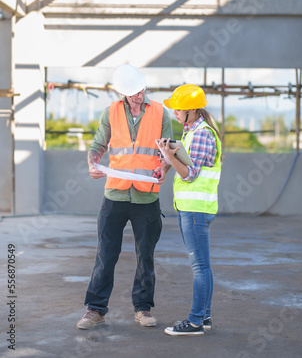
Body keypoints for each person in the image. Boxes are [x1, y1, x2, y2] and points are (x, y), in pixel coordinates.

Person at [77, 64, 172, 330]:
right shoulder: (110, 112)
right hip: (115, 194)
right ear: (123, 94)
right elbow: (98, 145)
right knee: (106, 254)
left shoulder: (161, 112)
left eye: (141, 91)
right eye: (132, 94)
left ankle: (143, 309)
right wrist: (92, 163)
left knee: (146, 256)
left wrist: (163, 168)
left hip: (147, 197)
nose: (138, 97)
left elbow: (167, 151)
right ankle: (95, 309)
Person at [157, 84, 222, 336]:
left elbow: (189, 174)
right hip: (191, 208)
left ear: (193, 110)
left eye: (179, 109)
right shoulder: (191, 131)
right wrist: (169, 157)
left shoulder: (202, 134)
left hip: (196, 210)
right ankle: (204, 318)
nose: (175, 113)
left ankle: (195, 322)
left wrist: (167, 155)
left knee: (200, 267)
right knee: (203, 266)